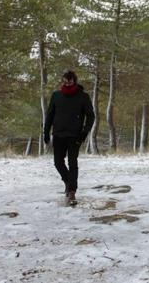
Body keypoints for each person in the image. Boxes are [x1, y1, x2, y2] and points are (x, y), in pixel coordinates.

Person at [43, 70, 94, 204]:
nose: (67, 84)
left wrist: (84, 132)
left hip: (74, 136)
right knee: (58, 162)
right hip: (58, 134)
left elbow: (91, 116)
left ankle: (72, 192)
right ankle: (68, 181)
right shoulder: (56, 96)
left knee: (73, 163)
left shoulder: (83, 96)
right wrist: (46, 132)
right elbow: (50, 115)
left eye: (70, 82)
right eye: (65, 82)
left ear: (74, 81)